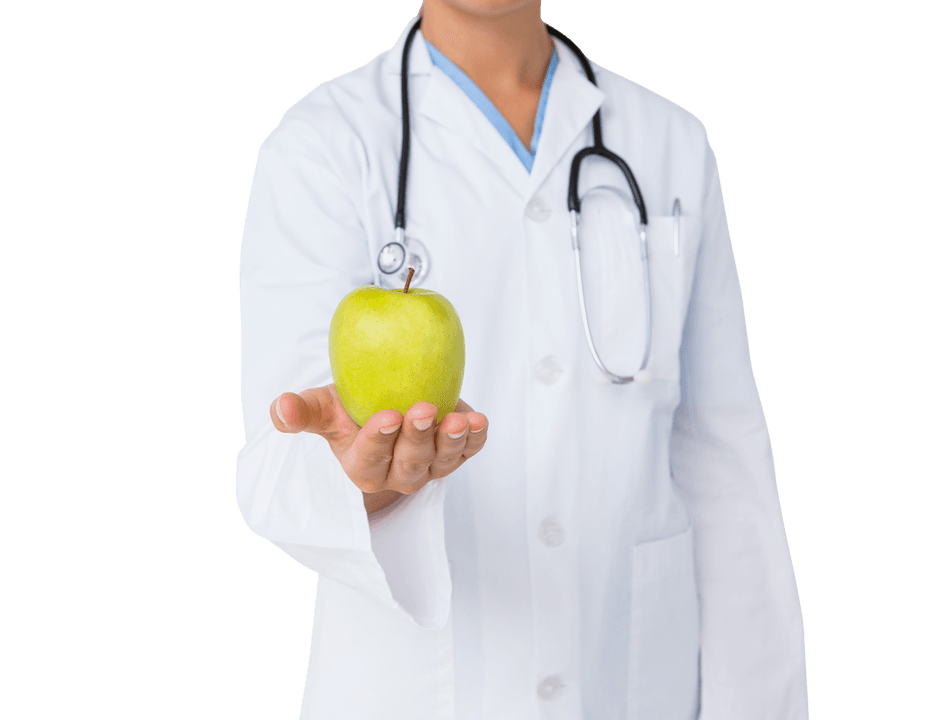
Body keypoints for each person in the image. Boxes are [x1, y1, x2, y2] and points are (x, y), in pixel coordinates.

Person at [235, 1, 809, 718]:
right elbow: (276, 467)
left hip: (631, 686)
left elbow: (727, 468)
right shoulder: (321, 145)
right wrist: (366, 480)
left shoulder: (669, 142)